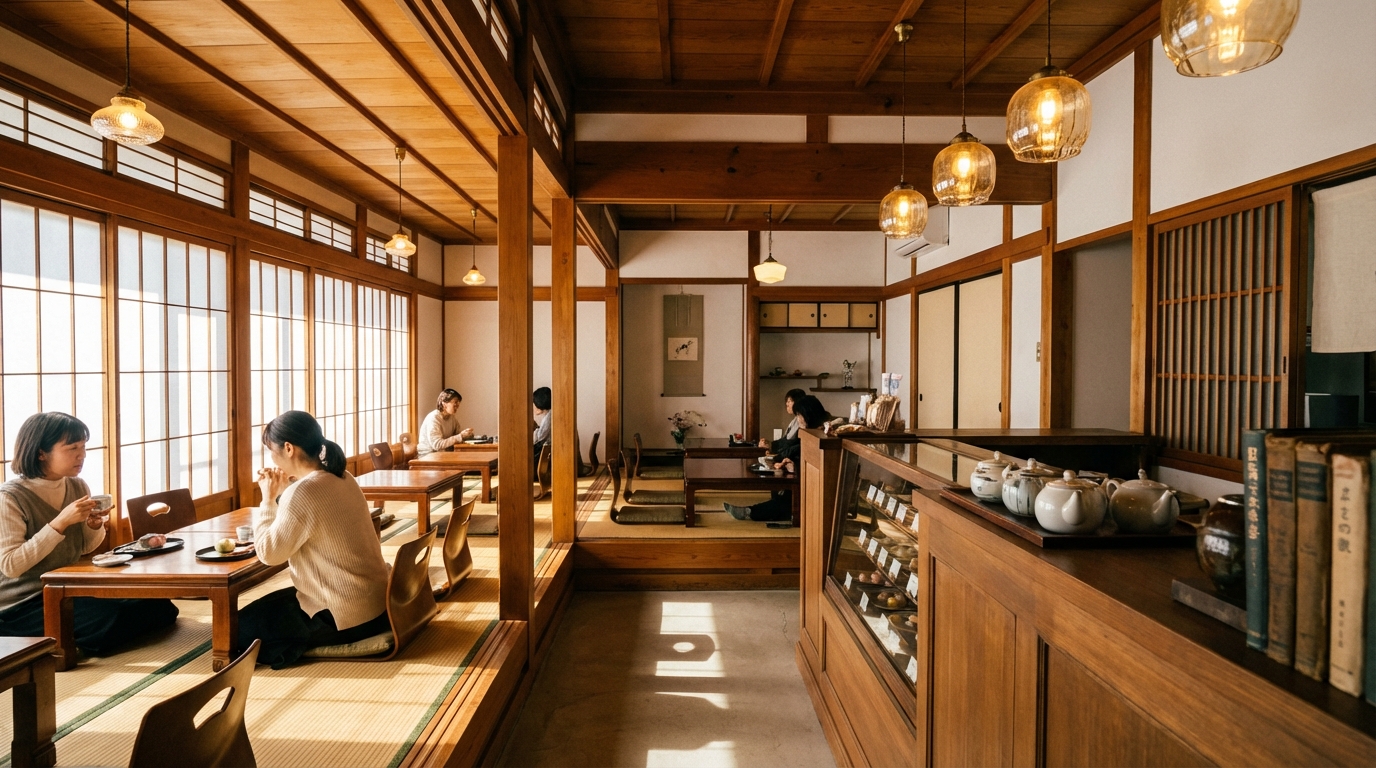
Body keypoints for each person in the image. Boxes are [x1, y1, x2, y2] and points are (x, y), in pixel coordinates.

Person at [0, 412, 178, 653]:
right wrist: (59, 523)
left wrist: (94, 526)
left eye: (83, 447)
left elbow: (84, 548)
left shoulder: (77, 485)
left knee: (159, 605)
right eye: (72, 448)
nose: (82, 455)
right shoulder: (9, 498)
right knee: (111, 618)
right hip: (22, 605)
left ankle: (77, 636)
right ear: (41, 452)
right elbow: (11, 566)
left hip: (67, 588)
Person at [239, 410, 390, 669]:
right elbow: (307, 511)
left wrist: (267, 499)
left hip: (346, 616)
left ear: (288, 448)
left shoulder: (303, 492)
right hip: (379, 603)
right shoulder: (342, 475)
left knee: (235, 631)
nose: (271, 459)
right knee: (258, 613)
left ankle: (300, 648)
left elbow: (269, 554)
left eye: (271, 451)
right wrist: (284, 495)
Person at [725, 396, 830, 523]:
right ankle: (764, 511)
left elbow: (819, 462)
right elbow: (793, 447)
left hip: (816, 484)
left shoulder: (823, 433)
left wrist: (794, 466)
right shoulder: (809, 431)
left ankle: (751, 512)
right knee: (781, 490)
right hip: (802, 473)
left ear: (807, 414)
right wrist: (785, 460)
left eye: (799, 415)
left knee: (785, 498)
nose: (798, 419)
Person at [418, 388, 473, 455]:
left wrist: (467, 435)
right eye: (455, 402)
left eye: (458, 402)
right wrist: (460, 436)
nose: (457, 406)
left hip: (442, 453)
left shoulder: (451, 417)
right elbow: (437, 445)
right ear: (444, 404)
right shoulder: (434, 418)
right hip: (428, 455)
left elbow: (458, 435)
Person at [532, 387, 552, 470]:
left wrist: (535, 428)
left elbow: (539, 438)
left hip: (546, 455)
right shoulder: (549, 415)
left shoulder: (549, 417)